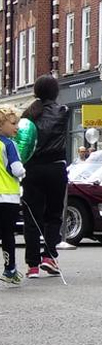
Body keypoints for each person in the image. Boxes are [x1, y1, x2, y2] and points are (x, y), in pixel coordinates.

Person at [21, 75, 69, 278]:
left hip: (32, 170)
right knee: (53, 215)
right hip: (56, 169)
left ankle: (32, 266)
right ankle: (49, 256)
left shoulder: (28, 114)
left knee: (32, 217)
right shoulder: (64, 111)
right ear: (55, 92)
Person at [0, 106, 25, 285]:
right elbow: (16, 169)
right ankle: (10, 270)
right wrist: (24, 172)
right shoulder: (10, 144)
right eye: (13, 123)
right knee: (7, 234)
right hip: (8, 196)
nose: (17, 127)